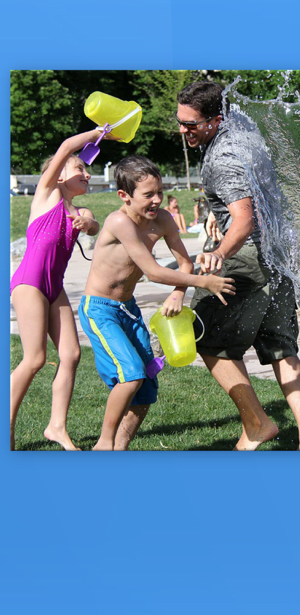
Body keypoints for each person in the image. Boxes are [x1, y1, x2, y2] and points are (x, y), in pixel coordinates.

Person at [176, 80, 300, 451]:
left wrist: (220, 252)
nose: (183, 130)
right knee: (282, 348)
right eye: (180, 121)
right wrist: (217, 214)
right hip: (278, 256)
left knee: (204, 337)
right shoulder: (243, 132)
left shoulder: (223, 157)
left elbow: (244, 220)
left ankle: (257, 424)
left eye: (191, 125)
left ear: (215, 119)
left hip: (247, 258)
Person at [78, 155, 235, 451]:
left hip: (128, 309)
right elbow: (151, 271)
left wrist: (178, 293)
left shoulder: (163, 219)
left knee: (146, 385)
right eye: (148, 194)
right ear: (124, 196)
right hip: (99, 309)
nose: (156, 200)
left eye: (160, 192)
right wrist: (205, 282)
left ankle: (119, 449)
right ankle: (103, 444)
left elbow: (184, 263)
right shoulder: (119, 221)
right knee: (131, 374)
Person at [10, 128, 103, 451]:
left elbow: (93, 223)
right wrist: (98, 132)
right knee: (34, 359)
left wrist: (89, 224)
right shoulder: (47, 194)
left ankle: (57, 427)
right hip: (29, 284)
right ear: (60, 176)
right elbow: (65, 146)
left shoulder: (79, 211)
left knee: (71, 354)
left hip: (54, 288)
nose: (87, 174)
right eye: (80, 169)